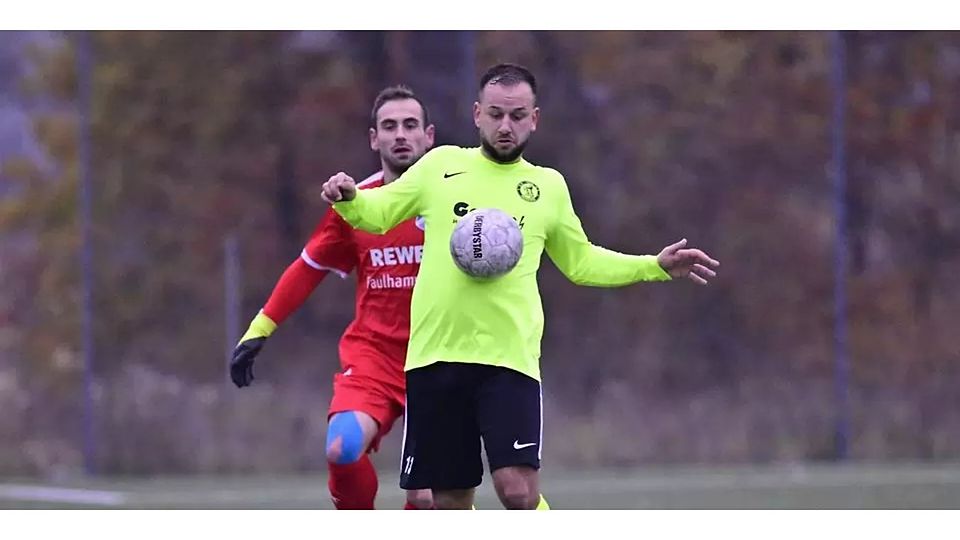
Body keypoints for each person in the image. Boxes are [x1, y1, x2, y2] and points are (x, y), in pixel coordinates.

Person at [319, 63, 721, 510]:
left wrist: (654, 266)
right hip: (436, 357)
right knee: (449, 500)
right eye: (495, 114)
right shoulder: (440, 166)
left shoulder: (547, 186)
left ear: (534, 119)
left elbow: (582, 262)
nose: (505, 125)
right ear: (477, 115)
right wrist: (350, 198)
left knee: (517, 490)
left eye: (516, 115)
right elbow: (378, 212)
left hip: (508, 359)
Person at [230, 85, 436, 510]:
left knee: (428, 495)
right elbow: (309, 268)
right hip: (374, 358)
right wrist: (259, 330)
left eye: (410, 125)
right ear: (373, 138)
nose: (401, 134)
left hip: (440, 359)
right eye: (390, 126)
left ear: (428, 136)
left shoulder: (457, 201)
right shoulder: (355, 203)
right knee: (341, 448)